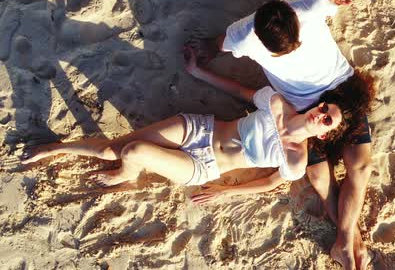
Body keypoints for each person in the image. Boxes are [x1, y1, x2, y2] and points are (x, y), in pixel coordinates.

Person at [187, 0, 374, 270]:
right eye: (282, 54)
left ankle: (346, 238)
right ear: (260, 41)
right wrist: (206, 51)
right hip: (300, 107)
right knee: (321, 179)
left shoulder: (307, 5)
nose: (292, 53)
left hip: (342, 89)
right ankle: (351, 246)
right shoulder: (242, 35)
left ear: (295, 19)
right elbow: (216, 45)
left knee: (360, 167)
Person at [19, 48, 350, 203]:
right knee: (111, 149)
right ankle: (55, 148)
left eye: (327, 119)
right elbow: (240, 91)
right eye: (324, 107)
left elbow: (268, 184)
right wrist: (199, 73)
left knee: (133, 151)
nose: (320, 113)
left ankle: (127, 174)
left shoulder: (296, 160)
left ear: (323, 132)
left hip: (201, 166)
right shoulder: (278, 103)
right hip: (199, 129)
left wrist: (225, 190)